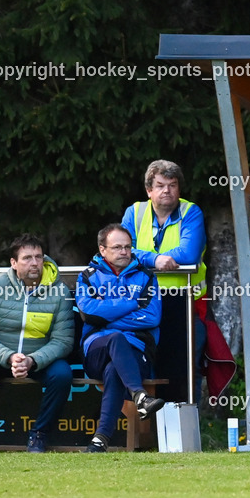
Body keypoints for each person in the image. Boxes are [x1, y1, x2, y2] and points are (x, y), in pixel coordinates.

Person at [0, 234, 74, 453]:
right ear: (13, 263)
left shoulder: (59, 291)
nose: (34, 263)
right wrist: (9, 356)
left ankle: (39, 436)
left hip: (39, 358)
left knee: (62, 375)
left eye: (38, 257)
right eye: (27, 258)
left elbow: (63, 341)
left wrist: (32, 360)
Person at [122, 160, 206, 404]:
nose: (166, 190)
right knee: (146, 360)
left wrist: (147, 258)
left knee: (184, 366)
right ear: (149, 190)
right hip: (142, 300)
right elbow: (122, 251)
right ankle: (149, 429)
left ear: (179, 189)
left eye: (172, 185)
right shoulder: (134, 212)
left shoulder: (191, 212)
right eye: (160, 185)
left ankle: (184, 429)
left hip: (184, 300)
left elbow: (189, 253)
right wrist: (156, 259)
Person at [76, 223, 164, 452]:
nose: (124, 252)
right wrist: (131, 303)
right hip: (97, 347)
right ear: (102, 250)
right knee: (115, 338)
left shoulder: (146, 276)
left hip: (137, 349)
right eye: (117, 247)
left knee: (114, 370)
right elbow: (89, 313)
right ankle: (140, 396)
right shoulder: (87, 276)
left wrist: (106, 315)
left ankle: (99, 440)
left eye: (127, 247)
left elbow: (152, 317)